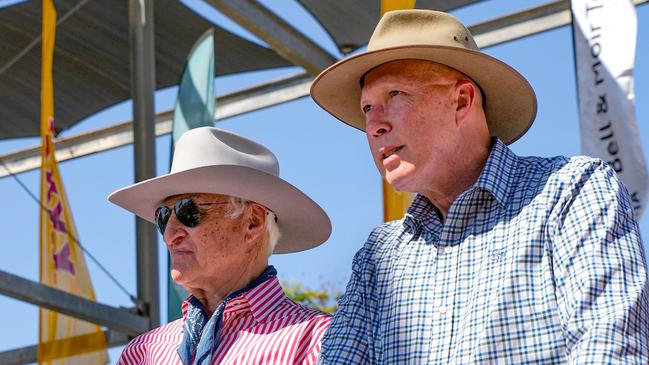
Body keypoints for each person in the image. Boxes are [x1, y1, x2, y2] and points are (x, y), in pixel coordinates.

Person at [310, 9, 649, 364]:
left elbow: (611, 348)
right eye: (367, 108)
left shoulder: (570, 191)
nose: (373, 126)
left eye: (395, 94)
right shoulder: (378, 255)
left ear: (462, 101)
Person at [109, 127, 332, 364]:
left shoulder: (315, 341)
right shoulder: (142, 353)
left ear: (253, 223)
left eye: (188, 211)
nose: (169, 234)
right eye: (163, 217)